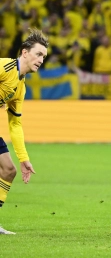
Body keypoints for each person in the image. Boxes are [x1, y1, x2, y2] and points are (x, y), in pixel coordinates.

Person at [0, 28, 48, 234]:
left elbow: (15, 124)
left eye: (44, 57)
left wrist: (23, 158)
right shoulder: (4, 66)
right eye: (38, 54)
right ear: (25, 52)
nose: (41, 59)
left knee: (8, 170)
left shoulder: (20, 87)